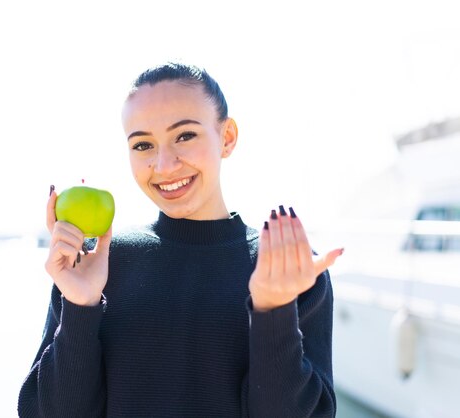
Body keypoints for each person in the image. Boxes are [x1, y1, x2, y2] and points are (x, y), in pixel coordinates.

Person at [18, 62, 343, 418]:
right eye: (143, 144)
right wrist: (80, 307)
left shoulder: (286, 270)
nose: (165, 164)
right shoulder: (96, 266)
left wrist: (273, 311)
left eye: (185, 136)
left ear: (228, 137)